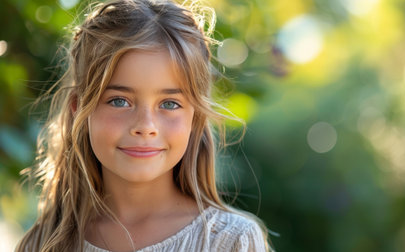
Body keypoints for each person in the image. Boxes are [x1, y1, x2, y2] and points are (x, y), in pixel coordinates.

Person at [15, 0, 271, 251]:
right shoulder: (43, 242)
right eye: (119, 101)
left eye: (169, 104)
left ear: (195, 116)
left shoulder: (231, 241)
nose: (145, 126)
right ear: (78, 107)